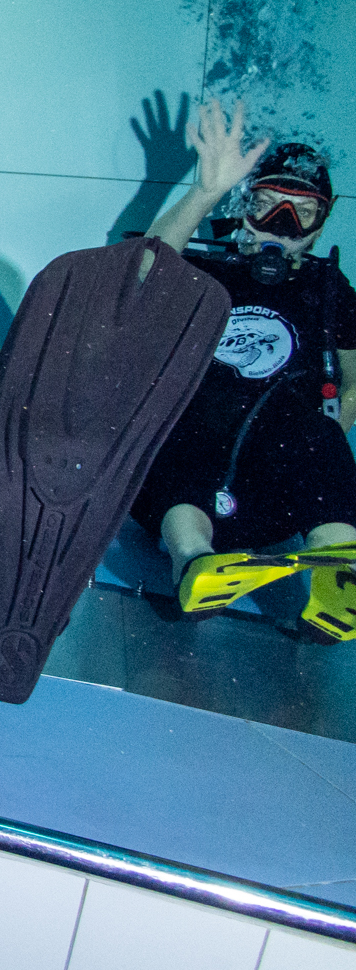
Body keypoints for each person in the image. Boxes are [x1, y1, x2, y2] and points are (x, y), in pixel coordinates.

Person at [136, 101, 356, 637]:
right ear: (244, 205)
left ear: (322, 220)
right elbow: (142, 270)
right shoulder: (205, 267)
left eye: (301, 213)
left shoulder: (328, 289)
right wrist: (205, 190)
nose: (282, 225)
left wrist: (323, 440)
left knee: (319, 435)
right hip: (188, 469)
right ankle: (195, 563)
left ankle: (339, 569)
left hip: (275, 487)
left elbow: (355, 384)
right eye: (266, 205)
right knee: (168, 435)